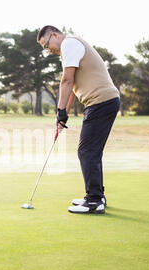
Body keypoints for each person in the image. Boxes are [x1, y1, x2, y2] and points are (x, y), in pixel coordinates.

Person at [37, 25, 120, 214]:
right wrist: (62, 115)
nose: (48, 50)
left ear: (55, 35)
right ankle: (96, 195)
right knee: (91, 151)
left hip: (101, 102)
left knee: (87, 151)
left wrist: (60, 111)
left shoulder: (70, 43)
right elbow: (72, 86)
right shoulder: (68, 50)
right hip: (101, 102)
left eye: (46, 45)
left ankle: (94, 200)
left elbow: (66, 81)